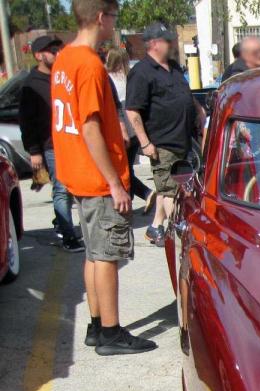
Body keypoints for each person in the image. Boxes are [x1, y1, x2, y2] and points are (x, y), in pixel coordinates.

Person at [51, 0, 157, 354]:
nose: (114, 24)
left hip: (78, 174)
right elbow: (90, 126)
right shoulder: (89, 65)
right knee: (108, 255)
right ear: (101, 17)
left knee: (95, 254)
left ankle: (97, 325)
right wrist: (115, 182)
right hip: (97, 178)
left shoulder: (63, 59)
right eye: (113, 17)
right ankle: (111, 332)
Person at [125, 22, 206, 246]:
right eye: (166, 40)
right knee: (172, 192)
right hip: (161, 143)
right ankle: (184, 234)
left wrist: (198, 110)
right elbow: (132, 110)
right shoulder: (141, 73)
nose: (171, 44)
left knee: (169, 187)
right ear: (153, 44)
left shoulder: (173, 67)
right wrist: (145, 143)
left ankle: (154, 227)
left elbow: (185, 94)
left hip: (183, 140)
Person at [18, 35, 84, 252]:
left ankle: (62, 223)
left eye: (58, 49)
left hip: (71, 142)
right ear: (38, 55)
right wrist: (34, 151)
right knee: (62, 189)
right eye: (51, 51)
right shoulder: (32, 84)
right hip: (50, 146)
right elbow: (27, 121)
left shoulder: (61, 77)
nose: (57, 53)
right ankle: (68, 236)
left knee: (75, 188)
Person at [104, 46, 155, 211]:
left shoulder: (109, 80)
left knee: (122, 171)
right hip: (134, 132)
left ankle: (144, 193)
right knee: (128, 168)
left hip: (120, 131)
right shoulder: (130, 79)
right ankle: (138, 195)